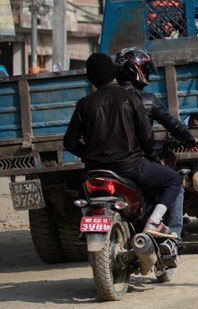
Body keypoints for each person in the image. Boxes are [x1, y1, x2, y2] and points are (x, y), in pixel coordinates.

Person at [63, 53, 184, 253]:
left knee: (83, 192)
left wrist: (90, 155)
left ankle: (86, 224)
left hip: (95, 170)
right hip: (131, 168)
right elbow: (145, 136)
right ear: (113, 72)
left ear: (90, 78)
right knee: (174, 180)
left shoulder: (84, 103)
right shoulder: (130, 97)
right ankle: (153, 223)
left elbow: (69, 142)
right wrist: (154, 158)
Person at [115, 47, 197, 244]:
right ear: (137, 71)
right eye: (145, 70)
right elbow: (173, 124)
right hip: (135, 163)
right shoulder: (146, 100)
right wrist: (190, 140)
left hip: (102, 163)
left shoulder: (105, 98)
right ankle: (173, 238)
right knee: (174, 182)